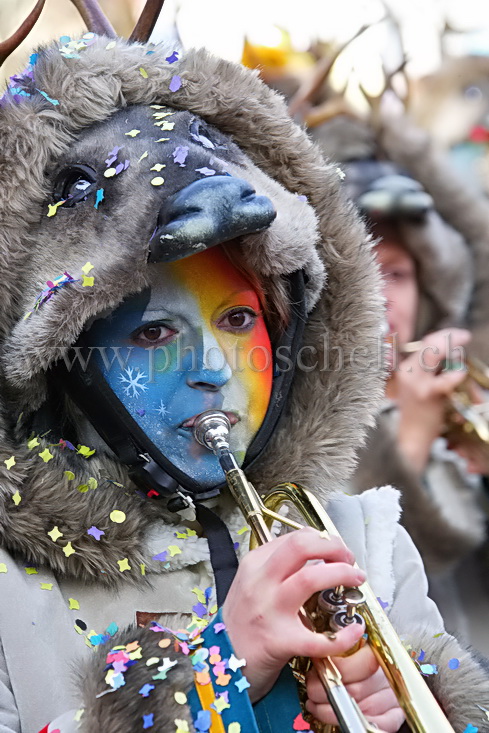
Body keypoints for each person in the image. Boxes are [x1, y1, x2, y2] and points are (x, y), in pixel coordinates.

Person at [0, 11, 487, 733]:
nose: (208, 369)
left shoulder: (368, 541)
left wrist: (407, 707)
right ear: (64, 366)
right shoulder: (15, 594)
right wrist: (212, 675)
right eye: (154, 332)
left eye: (236, 320)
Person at [311, 116, 489, 641]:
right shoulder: (311, 423)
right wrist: (413, 434)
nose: (384, 299)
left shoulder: (458, 391)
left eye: (399, 274)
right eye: (364, 273)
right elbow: (367, 587)